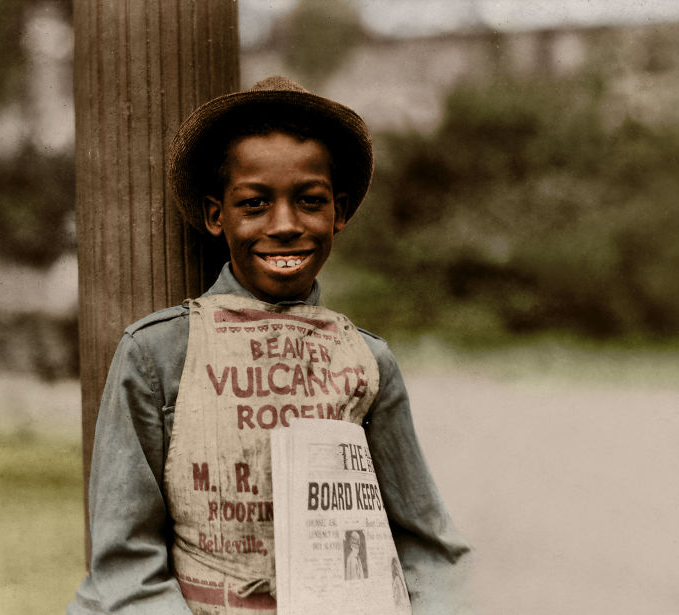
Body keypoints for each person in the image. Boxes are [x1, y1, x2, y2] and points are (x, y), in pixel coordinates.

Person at [68, 76, 470, 615]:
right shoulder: (157, 353)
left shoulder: (366, 361)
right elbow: (125, 562)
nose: (284, 225)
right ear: (217, 215)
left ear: (339, 211)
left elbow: (429, 546)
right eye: (254, 203)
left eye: (309, 201)